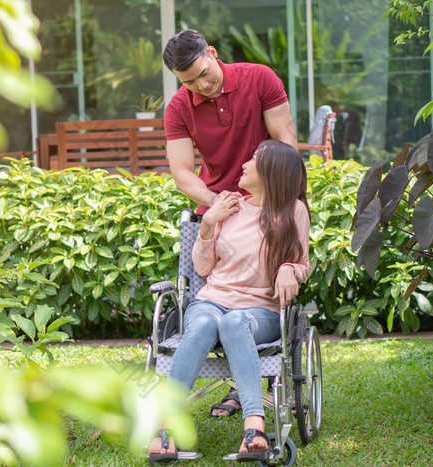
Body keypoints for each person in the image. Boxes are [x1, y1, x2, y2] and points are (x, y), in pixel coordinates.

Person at [148, 140, 311, 463]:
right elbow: (203, 269)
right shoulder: (227, 207)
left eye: (254, 159)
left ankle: (254, 423)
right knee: (207, 320)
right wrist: (208, 224)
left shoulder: (294, 211)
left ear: (271, 172)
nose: (245, 163)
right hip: (212, 302)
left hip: (259, 312)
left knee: (235, 322)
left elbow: (302, 263)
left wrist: (291, 269)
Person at [162, 29, 297, 217]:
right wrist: (214, 201)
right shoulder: (177, 109)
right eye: (189, 82)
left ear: (212, 52)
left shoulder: (260, 78)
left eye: (204, 73)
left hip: (271, 203)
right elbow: (182, 173)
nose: (202, 86)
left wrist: (273, 197)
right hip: (217, 210)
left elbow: (286, 140)